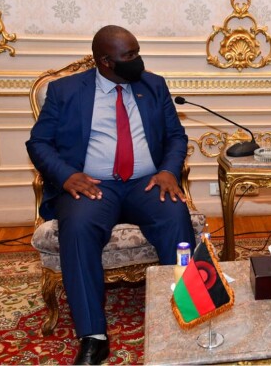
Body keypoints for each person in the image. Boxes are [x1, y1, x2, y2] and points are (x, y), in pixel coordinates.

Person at [26, 25, 196, 365]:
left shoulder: (153, 85)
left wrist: (168, 170)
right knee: (78, 227)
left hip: (145, 183)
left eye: (137, 52)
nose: (138, 60)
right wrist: (67, 175)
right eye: (129, 56)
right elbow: (39, 143)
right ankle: (93, 336)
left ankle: (190, 310)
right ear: (105, 61)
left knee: (175, 214)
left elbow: (176, 136)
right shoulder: (64, 90)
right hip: (93, 185)